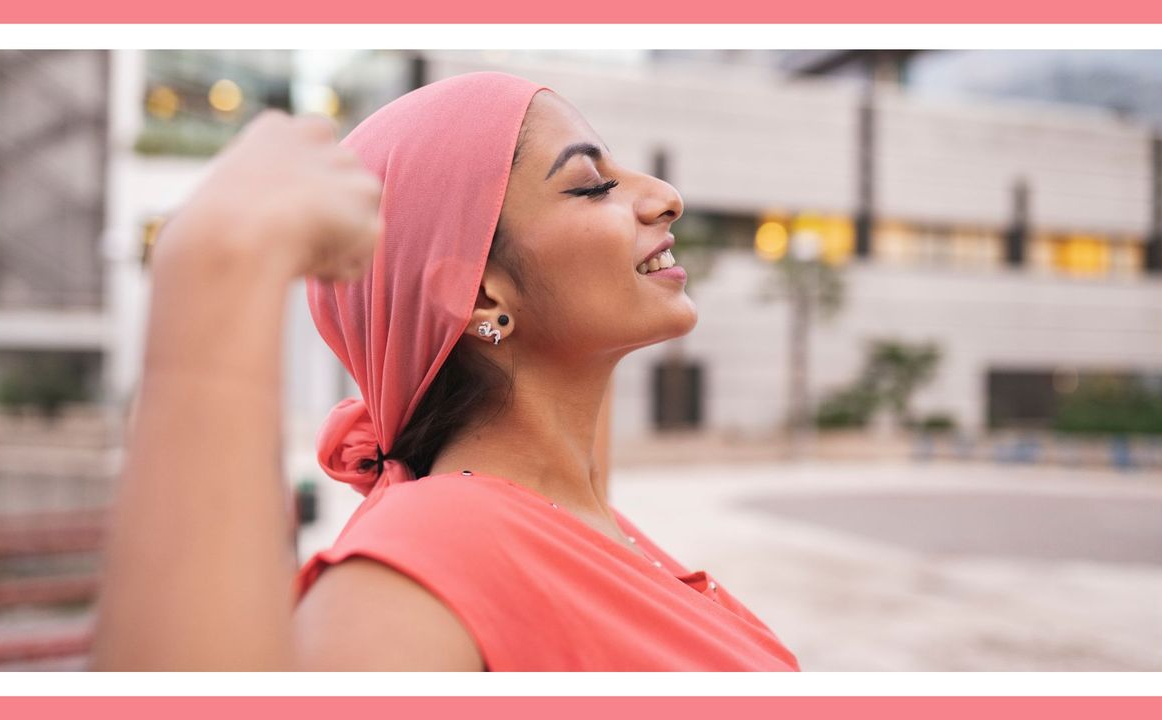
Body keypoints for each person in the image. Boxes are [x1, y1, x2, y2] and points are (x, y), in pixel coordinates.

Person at [90, 71, 801, 672]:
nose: (664, 195)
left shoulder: (575, 522)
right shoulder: (432, 558)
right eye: (591, 185)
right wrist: (223, 258)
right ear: (483, 293)